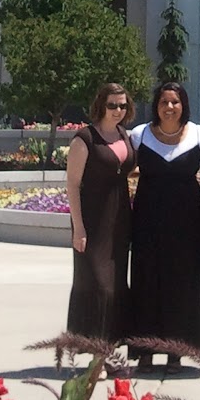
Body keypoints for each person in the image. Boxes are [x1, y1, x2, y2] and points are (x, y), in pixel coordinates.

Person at [127, 81, 200, 373]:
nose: (170, 107)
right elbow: (119, 168)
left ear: (183, 104)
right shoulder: (139, 135)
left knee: (182, 285)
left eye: (175, 101)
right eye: (164, 102)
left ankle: (177, 353)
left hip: (187, 224)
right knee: (146, 284)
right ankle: (145, 351)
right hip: (147, 222)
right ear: (156, 105)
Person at [65, 82, 137, 369]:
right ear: (101, 105)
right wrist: (79, 228)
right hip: (93, 223)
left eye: (122, 105)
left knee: (116, 287)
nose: (118, 110)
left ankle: (109, 353)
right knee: (98, 287)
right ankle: (97, 355)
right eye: (112, 105)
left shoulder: (124, 135)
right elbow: (72, 184)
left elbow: (124, 170)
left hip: (120, 221)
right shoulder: (85, 139)